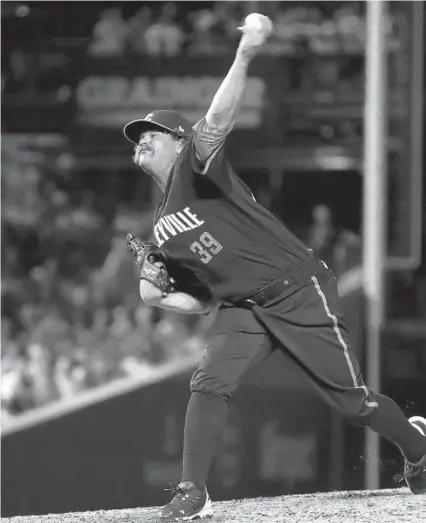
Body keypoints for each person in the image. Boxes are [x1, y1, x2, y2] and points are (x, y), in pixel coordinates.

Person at [123, 13, 426, 521]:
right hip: (243, 307)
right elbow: (201, 302)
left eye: (153, 133)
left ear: (179, 141)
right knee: (207, 383)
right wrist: (159, 297)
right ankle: (192, 491)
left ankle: (417, 448)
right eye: (138, 138)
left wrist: (244, 55)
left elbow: (218, 120)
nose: (142, 141)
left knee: (352, 405)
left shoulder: (195, 171)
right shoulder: (161, 227)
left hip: (298, 290)